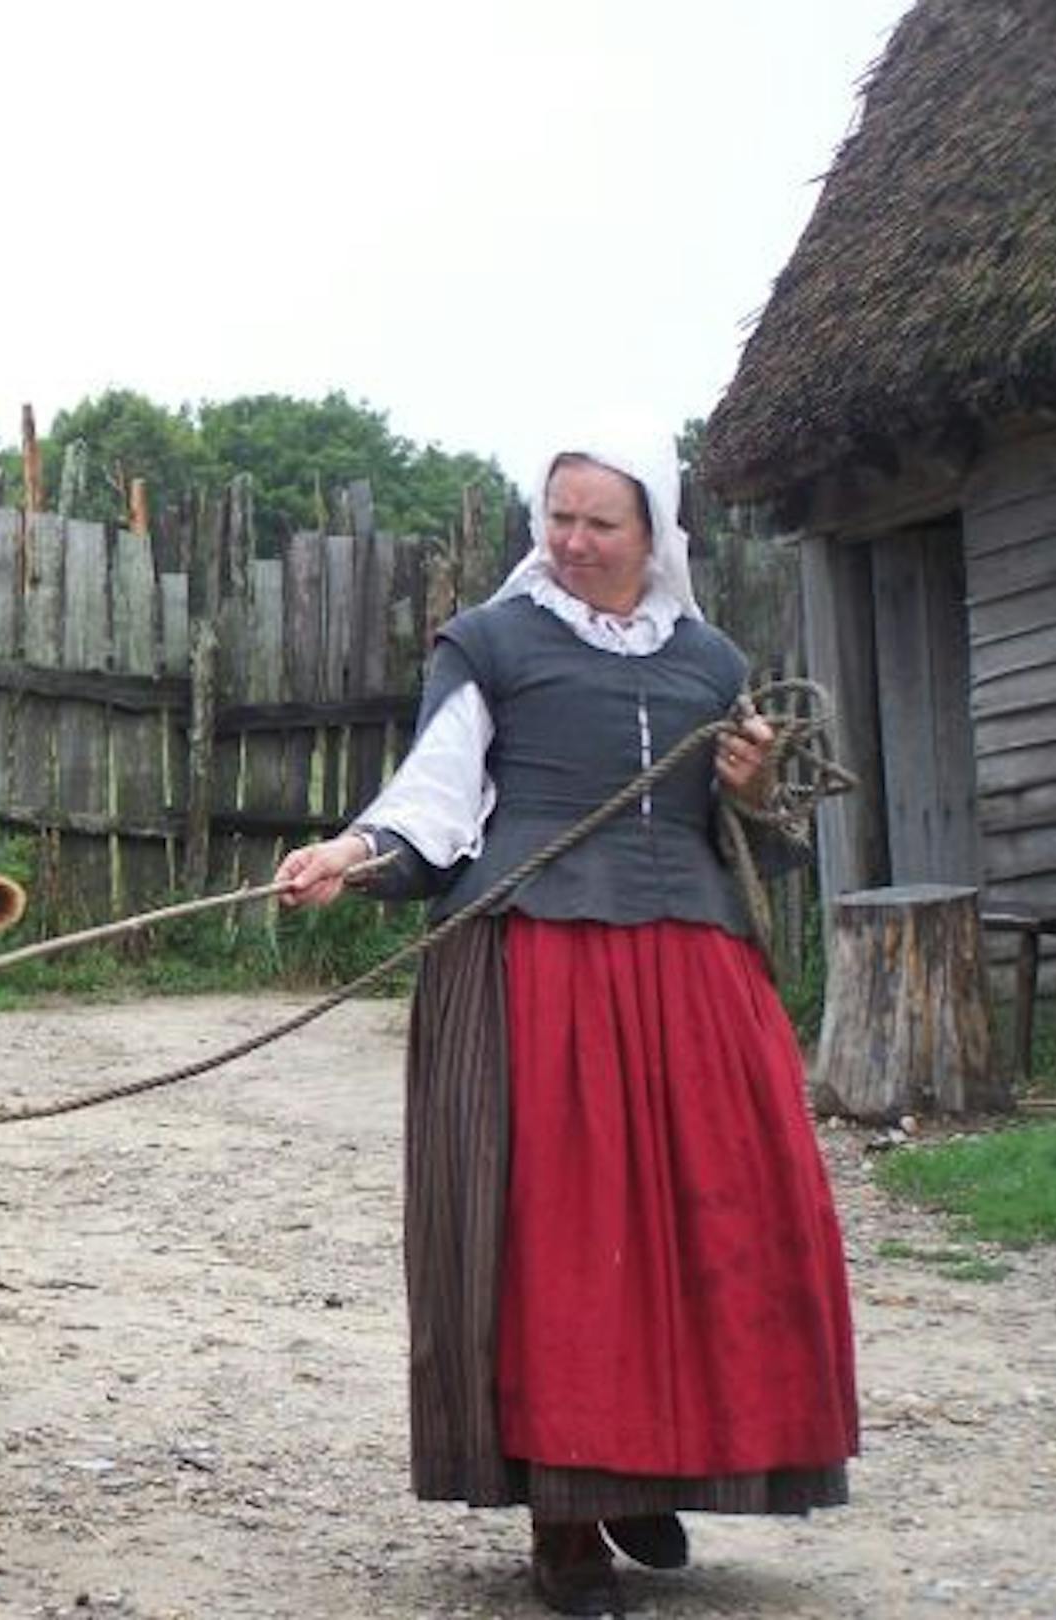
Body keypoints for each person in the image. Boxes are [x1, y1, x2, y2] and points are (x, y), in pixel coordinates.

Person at [277, 430, 857, 1616]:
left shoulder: (711, 662)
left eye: (602, 523)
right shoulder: (492, 644)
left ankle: (652, 1473)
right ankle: (565, 1519)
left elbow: (767, 850)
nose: (575, 543)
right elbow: (435, 796)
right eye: (559, 517)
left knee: (708, 1232)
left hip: (695, 979)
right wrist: (352, 854)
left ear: (655, 535)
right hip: (537, 968)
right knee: (560, 1248)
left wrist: (749, 793)